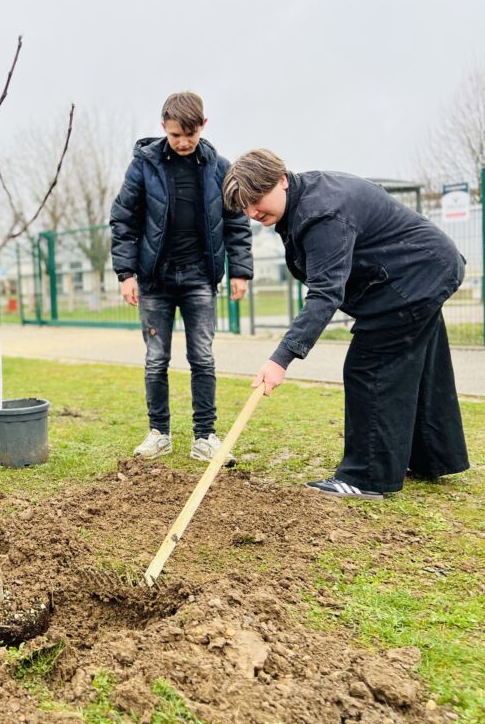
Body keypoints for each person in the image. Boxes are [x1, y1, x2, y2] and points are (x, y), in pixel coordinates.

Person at [223, 148, 469, 499]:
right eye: (244, 206)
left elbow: (325, 293)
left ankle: (365, 477)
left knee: (369, 367)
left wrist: (281, 359)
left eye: (256, 199)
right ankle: (434, 457)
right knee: (422, 366)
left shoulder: (322, 213)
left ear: (281, 180)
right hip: (422, 270)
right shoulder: (304, 200)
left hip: (415, 277)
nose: (251, 212)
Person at [110, 92, 253, 463]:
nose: (183, 142)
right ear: (163, 127)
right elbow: (124, 220)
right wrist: (126, 273)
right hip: (154, 280)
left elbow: (236, 221)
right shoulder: (143, 166)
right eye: (175, 135)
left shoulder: (219, 168)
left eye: (190, 134)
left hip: (199, 278)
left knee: (202, 357)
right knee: (156, 360)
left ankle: (205, 437)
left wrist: (240, 270)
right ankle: (159, 434)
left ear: (203, 126)